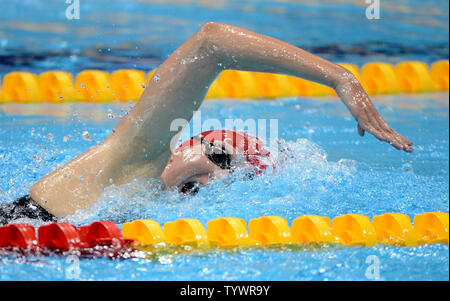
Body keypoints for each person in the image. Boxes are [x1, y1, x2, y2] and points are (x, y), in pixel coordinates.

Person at [0, 22, 413, 225]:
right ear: (179, 143)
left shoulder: (138, 207)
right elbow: (212, 42)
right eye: (217, 152)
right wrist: (341, 76)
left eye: (232, 172)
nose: (212, 171)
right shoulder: (135, 159)